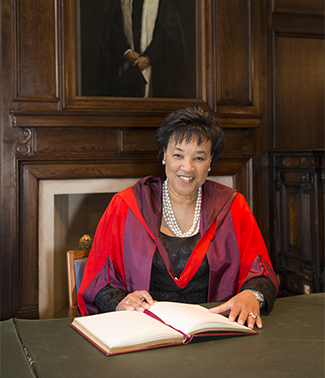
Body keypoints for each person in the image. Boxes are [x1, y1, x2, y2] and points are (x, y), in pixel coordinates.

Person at [78, 107, 278, 329]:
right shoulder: (126, 206)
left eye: (199, 158)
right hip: (145, 330)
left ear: (211, 161)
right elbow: (98, 280)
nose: (188, 167)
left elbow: (260, 271)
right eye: (178, 155)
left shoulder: (232, 207)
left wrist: (252, 295)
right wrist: (120, 303)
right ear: (164, 154)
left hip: (214, 329)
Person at [99, 0, 186, 98]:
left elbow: (166, 34)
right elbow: (113, 29)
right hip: (127, 62)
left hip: (153, 65)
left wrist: (149, 58)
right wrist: (127, 52)